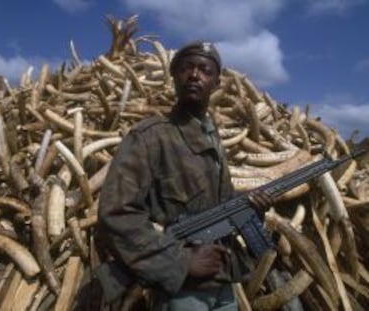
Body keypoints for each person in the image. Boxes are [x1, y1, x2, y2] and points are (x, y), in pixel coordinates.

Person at [96, 41, 273, 311]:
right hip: (182, 292)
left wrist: (249, 209)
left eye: (205, 70)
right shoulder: (150, 137)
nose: (194, 75)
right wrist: (181, 261)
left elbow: (214, 208)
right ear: (174, 76)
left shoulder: (213, 141)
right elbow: (117, 213)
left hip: (223, 284)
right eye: (186, 68)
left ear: (216, 82)